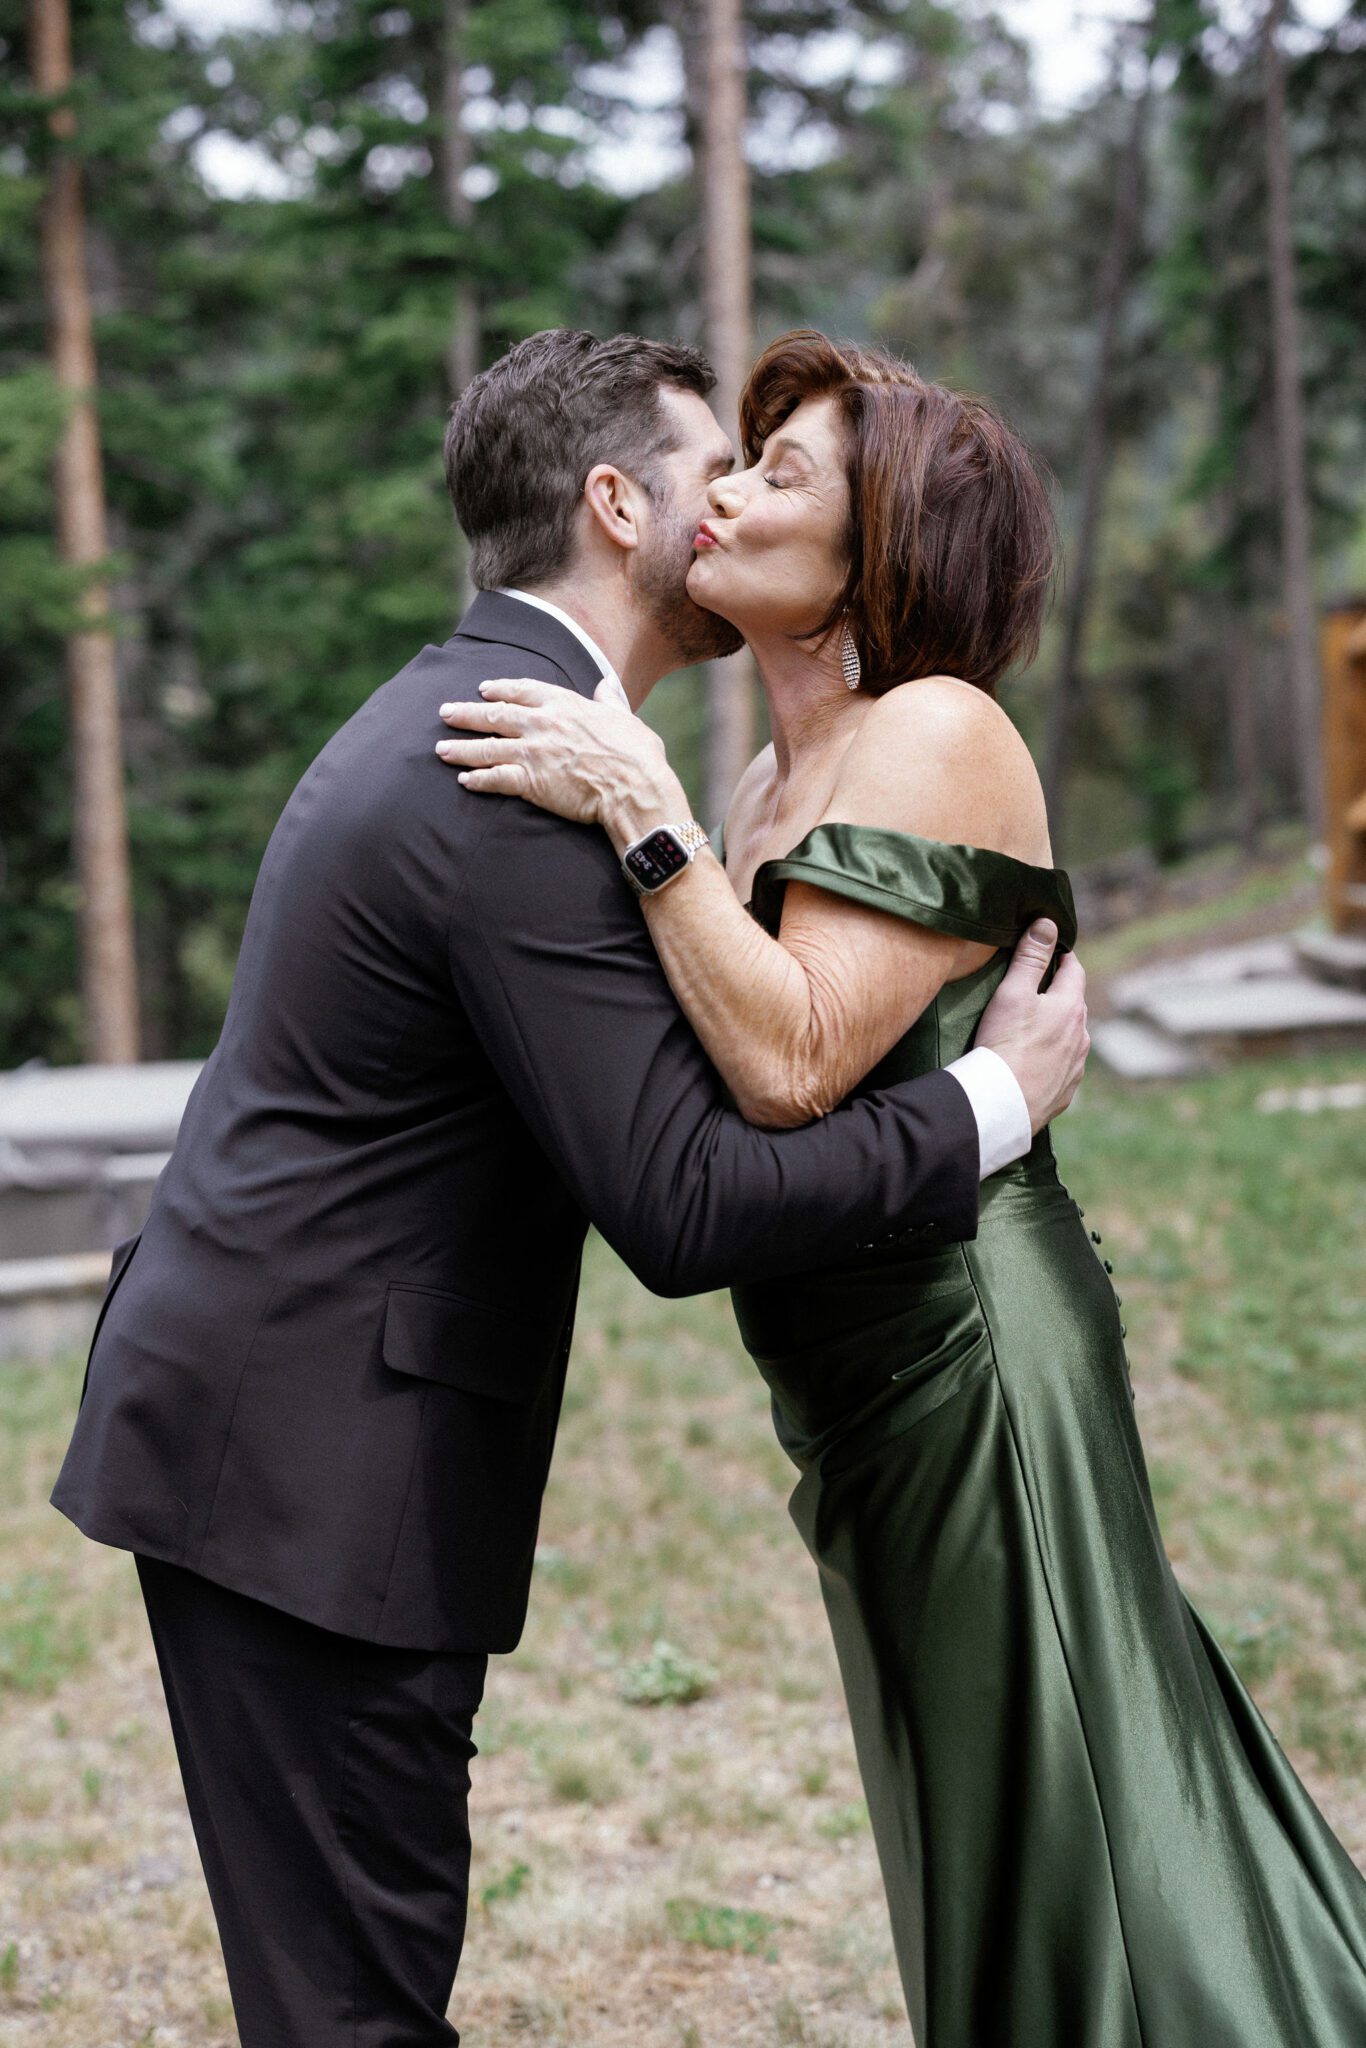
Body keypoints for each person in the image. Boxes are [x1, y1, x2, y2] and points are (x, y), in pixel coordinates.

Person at [49, 329, 1089, 2048]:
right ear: (616, 505)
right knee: (356, 2014)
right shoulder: (516, 780)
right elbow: (679, 1200)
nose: (731, 510)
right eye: (713, 474)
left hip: (281, 1435)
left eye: (777, 480)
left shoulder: (510, 733)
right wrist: (990, 1104)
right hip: (306, 1468)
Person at [435, 329, 1366, 2047]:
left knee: (1063, 1801)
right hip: (851, 1370)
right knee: (979, 1799)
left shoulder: (933, 728)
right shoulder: (767, 778)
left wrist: (639, 821)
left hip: (967, 1351)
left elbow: (789, 1064)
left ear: (879, 556)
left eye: (776, 473)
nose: (720, 490)